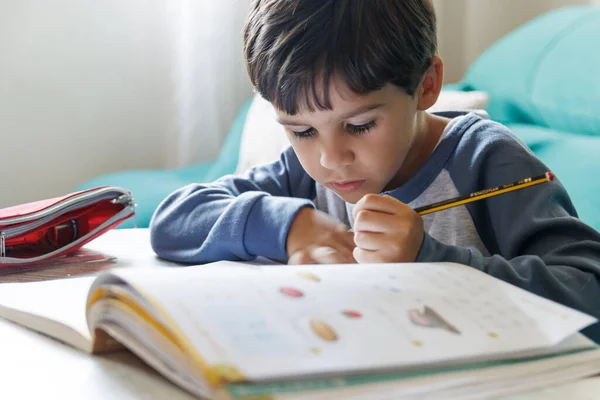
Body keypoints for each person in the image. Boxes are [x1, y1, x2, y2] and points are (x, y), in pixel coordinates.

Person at [149, 0, 600, 340]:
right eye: (302, 131)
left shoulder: (487, 162)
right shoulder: (304, 175)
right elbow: (174, 219)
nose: (330, 158)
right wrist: (288, 227)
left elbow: (589, 293)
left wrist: (430, 259)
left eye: (360, 125)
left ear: (426, 86)